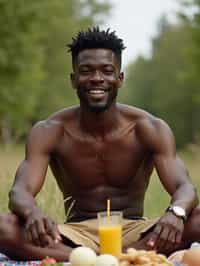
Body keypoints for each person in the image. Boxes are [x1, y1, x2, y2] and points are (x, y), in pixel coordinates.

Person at [0, 26, 199, 261]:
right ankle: (110, 260)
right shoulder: (49, 130)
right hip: (74, 233)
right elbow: (19, 191)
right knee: (4, 226)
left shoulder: (149, 128)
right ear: (74, 80)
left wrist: (175, 213)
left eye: (107, 70)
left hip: (138, 232)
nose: (97, 78)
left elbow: (185, 187)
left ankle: (97, 260)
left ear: (120, 78)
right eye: (86, 71)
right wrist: (32, 212)